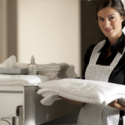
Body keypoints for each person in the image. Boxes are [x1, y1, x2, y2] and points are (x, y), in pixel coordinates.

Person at [61, 0, 125, 125]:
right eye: (101, 19)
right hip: (86, 121)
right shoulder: (93, 51)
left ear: (123, 17)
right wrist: (74, 98)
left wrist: (117, 105)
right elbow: (87, 93)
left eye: (111, 18)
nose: (106, 24)